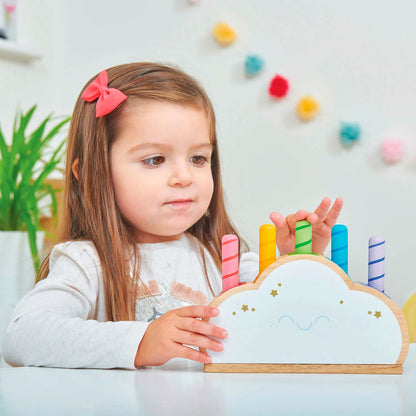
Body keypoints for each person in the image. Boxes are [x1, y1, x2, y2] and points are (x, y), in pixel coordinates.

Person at [1, 63, 343, 369]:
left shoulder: (226, 259)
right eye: (155, 160)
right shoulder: (86, 263)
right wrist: (140, 342)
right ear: (91, 173)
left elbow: (290, 320)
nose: (184, 177)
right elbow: (22, 336)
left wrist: (297, 261)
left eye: (198, 159)